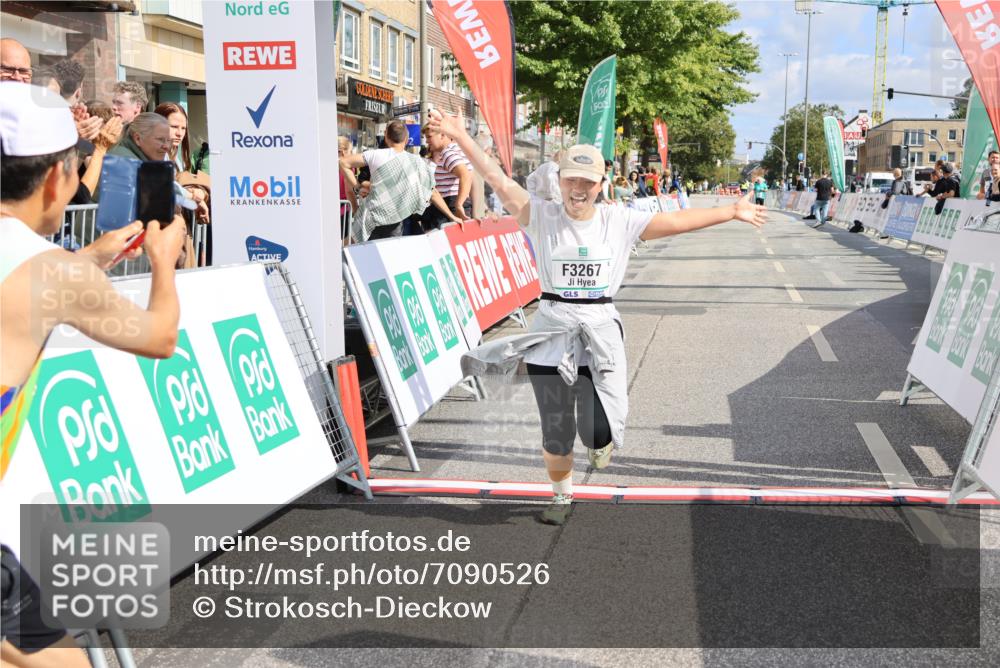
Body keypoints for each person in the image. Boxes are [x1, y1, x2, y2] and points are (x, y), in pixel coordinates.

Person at [427, 108, 766, 526]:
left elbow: (676, 221)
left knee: (597, 432)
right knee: (556, 431)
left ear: (602, 185)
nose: (578, 189)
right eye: (571, 180)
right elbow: (498, 179)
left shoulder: (619, 221)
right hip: (551, 333)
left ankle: (598, 443)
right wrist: (461, 135)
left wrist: (729, 211)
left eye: (587, 182)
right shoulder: (541, 217)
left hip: (599, 335)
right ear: (560, 182)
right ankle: (561, 495)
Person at [1, 82, 186, 668]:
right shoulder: (52, 272)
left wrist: (91, 259)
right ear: (58, 177)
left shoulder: (53, 271)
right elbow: (160, 337)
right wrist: (163, 264)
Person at [339, 120, 460, 240]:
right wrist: (452, 216)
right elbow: (433, 193)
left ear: (386, 137)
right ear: (406, 139)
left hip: (370, 219)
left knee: (359, 254)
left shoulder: (375, 155)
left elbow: (344, 162)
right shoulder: (417, 162)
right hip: (395, 221)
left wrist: (358, 187)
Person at [422, 123, 473, 224]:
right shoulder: (457, 150)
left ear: (442, 135)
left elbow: (465, 176)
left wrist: (459, 204)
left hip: (449, 207)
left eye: (429, 137)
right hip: (452, 205)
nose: (427, 141)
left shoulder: (448, 153)